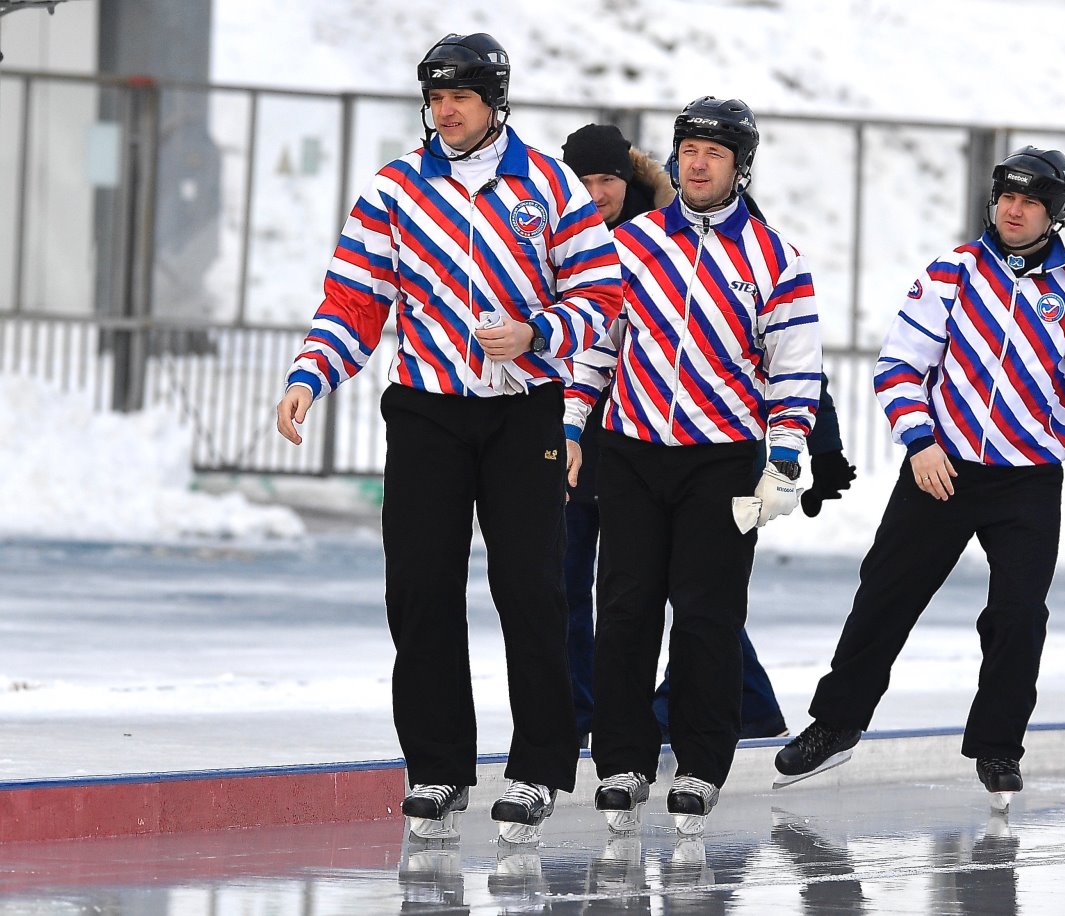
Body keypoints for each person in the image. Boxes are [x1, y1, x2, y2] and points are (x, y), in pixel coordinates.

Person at [274, 32, 621, 844]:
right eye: (435, 97)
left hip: (521, 409)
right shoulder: (396, 188)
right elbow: (355, 298)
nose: (445, 111)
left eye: (460, 97)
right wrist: (309, 374)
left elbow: (601, 293)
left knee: (531, 589)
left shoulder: (550, 185)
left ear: (496, 100)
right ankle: (436, 768)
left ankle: (538, 769)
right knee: (420, 589)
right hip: (427, 409)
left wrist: (538, 333)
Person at [774, 146, 1065, 807]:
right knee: (885, 593)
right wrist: (920, 442)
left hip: (1026, 481)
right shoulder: (954, 273)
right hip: (941, 468)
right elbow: (899, 365)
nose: (1014, 210)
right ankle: (836, 723)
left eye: (1031, 201)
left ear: (1056, 212)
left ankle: (998, 747)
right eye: (1007, 197)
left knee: (1019, 615)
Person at [564, 97, 823, 835]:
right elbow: (595, 343)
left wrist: (784, 454)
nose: (698, 162)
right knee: (624, 609)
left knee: (709, 616)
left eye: (714, 152)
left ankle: (703, 766)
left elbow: (794, 368)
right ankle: (621, 762)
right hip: (635, 452)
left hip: (721, 461)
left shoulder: (776, 258)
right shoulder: (632, 245)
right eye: (688, 150)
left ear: (741, 166)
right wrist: (574, 423)